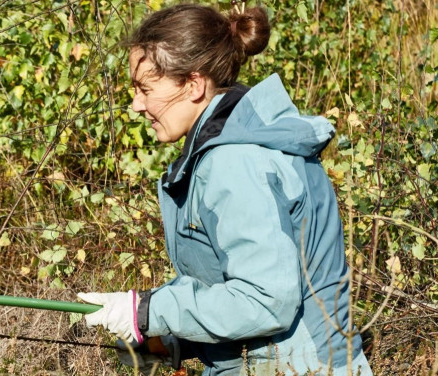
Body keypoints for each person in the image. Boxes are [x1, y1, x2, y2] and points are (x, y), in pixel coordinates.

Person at [76, 4, 373, 376]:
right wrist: (170, 337)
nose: (136, 105)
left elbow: (266, 302)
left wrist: (148, 311)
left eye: (145, 89)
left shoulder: (236, 162)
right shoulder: (234, 147)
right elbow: (243, 285)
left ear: (194, 85)